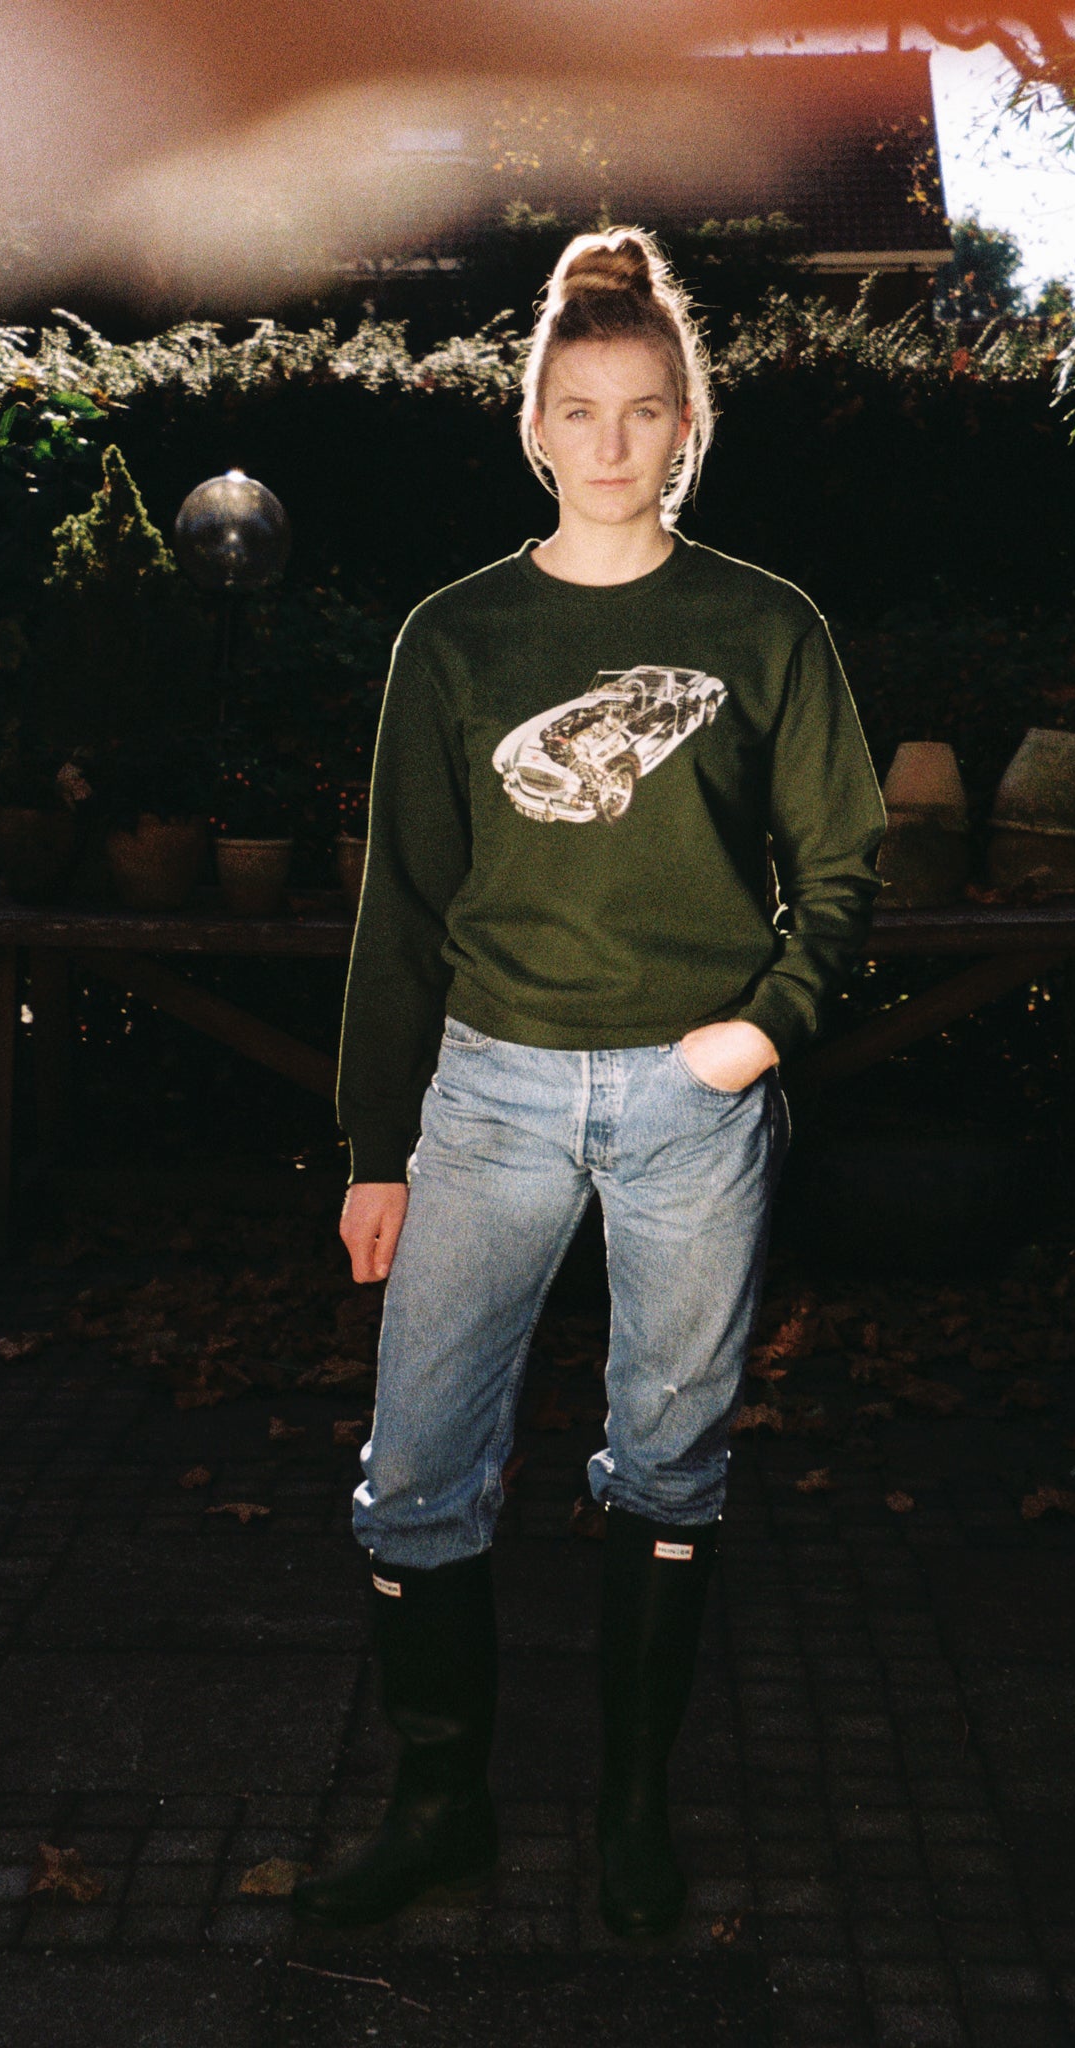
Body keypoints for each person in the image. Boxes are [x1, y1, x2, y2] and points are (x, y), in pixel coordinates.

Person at [290, 226, 887, 1939]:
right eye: (579, 410)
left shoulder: (762, 625)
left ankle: (632, 1814)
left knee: (669, 1465)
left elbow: (846, 861)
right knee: (417, 1467)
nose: (611, 443)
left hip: (697, 1105)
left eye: (643, 411)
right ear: (533, 426)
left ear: (688, 424)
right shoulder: (455, 637)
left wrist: (763, 1028)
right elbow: (402, 910)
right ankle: (441, 1806)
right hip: (489, 1096)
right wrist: (376, 1145)